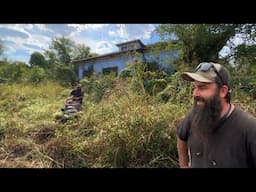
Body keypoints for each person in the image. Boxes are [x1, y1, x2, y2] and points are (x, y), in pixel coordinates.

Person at [176, 62, 256, 168]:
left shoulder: (249, 128)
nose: (195, 93)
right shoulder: (194, 117)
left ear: (223, 91)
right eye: (195, 87)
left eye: (202, 87)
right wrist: (184, 165)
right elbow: (181, 138)